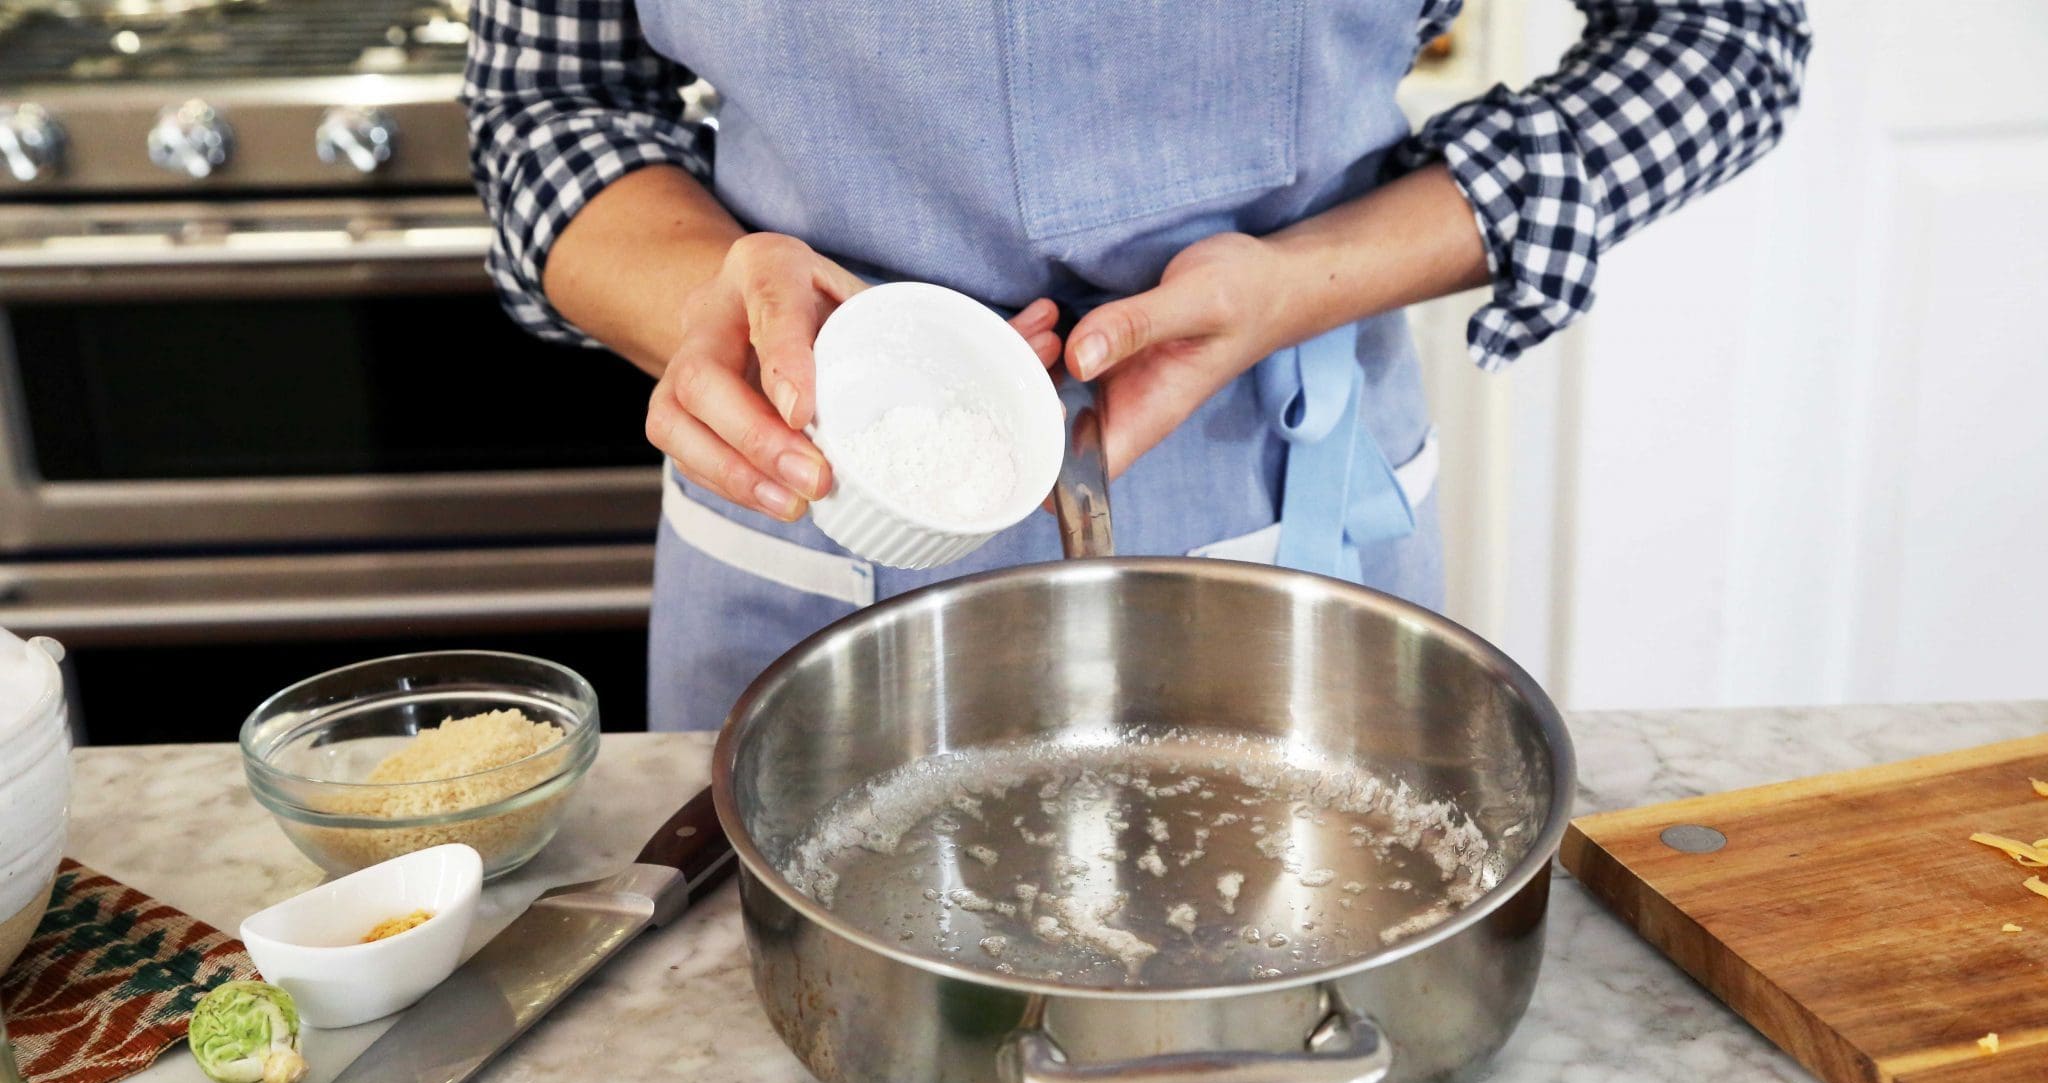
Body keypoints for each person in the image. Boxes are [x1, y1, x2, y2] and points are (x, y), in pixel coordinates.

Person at [464, 2, 1810, 730]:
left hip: (1295, 537)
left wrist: (1306, 281)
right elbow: (550, 109)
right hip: (800, 553)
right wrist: (709, 302)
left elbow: (1726, 30)